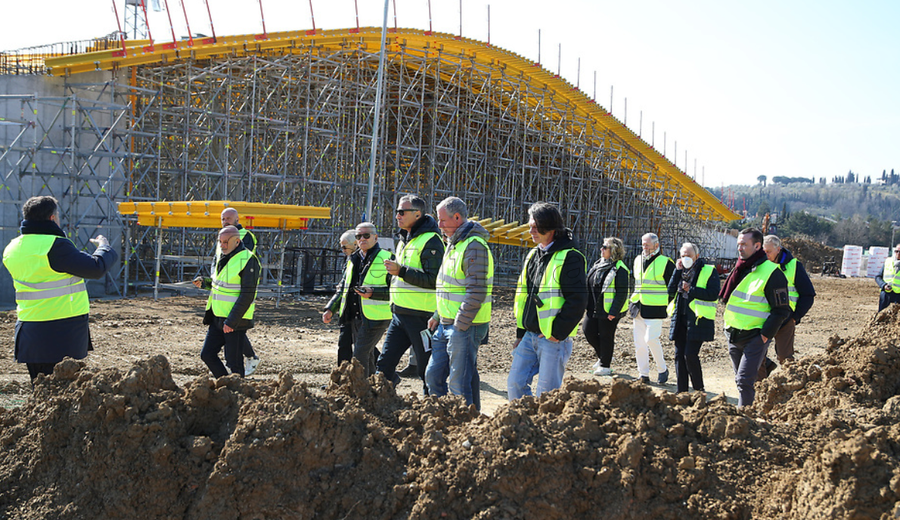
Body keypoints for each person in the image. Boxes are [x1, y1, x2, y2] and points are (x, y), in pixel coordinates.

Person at [2, 196, 118, 383]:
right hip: (60, 334)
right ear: (52, 218)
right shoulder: (55, 246)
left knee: (41, 397)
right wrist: (104, 247)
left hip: (29, 331)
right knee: (62, 397)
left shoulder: (12, 248)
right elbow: (95, 268)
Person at [507, 202, 587, 400]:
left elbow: (578, 300)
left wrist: (557, 333)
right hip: (529, 335)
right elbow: (525, 295)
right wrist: (520, 332)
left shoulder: (571, 257)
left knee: (547, 395)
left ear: (551, 227)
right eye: (530, 226)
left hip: (552, 339)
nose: (530, 230)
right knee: (515, 384)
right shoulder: (534, 254)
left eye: (535, 226)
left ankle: (541, 429)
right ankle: (522, 425)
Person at [425, 197, 493, 410]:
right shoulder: (454, 243)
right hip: (446, 324)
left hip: (464, 326)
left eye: (443, 220)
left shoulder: (473, 247)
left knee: (459, 385)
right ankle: (445, 419)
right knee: (433, 376)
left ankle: (466, 429)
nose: (439, 225)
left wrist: (459, 325)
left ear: (457, 217)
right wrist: (438, 315)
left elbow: (476, 292)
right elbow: (450, 286)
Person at [377, 195, 445, 390]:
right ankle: (378, 407)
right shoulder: (404, 239)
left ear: (417, 214)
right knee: (384, 366)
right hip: (400, 314)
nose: (397, 215)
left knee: (426, 370)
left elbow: (434, 281)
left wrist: (401, 271)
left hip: (421, 318)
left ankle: (433, 409)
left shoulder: (432, 241)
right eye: (397, 211)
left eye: (401, 212)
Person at [719, 228, 790, 407]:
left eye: (744, 244)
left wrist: (765, 336)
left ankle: (744, 420)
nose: (740, 248)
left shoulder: (772, 273)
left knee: (744, 381)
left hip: (755, 336)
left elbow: (781, 310)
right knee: (741, 380)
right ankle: (754, 408)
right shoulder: (740, 268)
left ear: (757, 246)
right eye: (738, 244)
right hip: (733, 334)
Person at [195, 226, 260, 378]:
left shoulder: (248, 260)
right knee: (207, 354)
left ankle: (236, 394)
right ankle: (225, 385)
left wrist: (232, 321)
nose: (222, 245)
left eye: (225, 242)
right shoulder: (222, 256)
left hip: (235, 321)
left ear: (237, 241)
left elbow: (247, 294)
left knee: (234, 363)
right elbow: (221, 284)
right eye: (220, 242)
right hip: (218, 316)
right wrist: (205, 283)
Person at [758, 234, 816, 378]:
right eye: (763, 252)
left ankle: (791, 385)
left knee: (786, 357)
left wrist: (795, 317)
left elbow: (808, 294)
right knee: (757, 355)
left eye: (768, 252)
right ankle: (758, 390)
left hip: (785, 319)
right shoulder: (759, 265)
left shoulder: (794, 266)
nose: (765, 255)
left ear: (778, 249)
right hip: (762, 318)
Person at [667, 242, 719, 393]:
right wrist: (677, 272)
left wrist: (691, 290)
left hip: (698, 319)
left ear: (696, 256)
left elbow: (713, 294)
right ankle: (681, 390)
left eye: (688, 256)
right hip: (680, 318)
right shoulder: (680, 271)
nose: (685, 258)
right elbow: (670, 291)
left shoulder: (709, 270)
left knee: (690, 354)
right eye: (682, 256)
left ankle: (698, 390)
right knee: (678, 356)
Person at [629, 232, 675, 384]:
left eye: (647, 244)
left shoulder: (666, 262)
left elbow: (673, 286)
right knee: (639, 343)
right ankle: (643, 375)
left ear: (656, 245)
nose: (645, 247)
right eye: (643, 244)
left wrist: (666, 303)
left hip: (656, 308)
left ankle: (662, 369)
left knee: (651, 339)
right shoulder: (637, 260)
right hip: (638, 306)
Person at [219, 207, 260, 375]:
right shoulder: (223, 236)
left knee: (234, 328)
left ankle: (248, 358)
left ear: (237, 220)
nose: (225, 221)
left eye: (228, 218)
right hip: (225, 292)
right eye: (223, 219)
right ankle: (235, 363)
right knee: (229, 329)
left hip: (238, 289)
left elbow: (241, 258)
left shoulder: (246, 236)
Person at [349, 222, 393, 376]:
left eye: (366, 235)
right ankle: (380, 385)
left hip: (377, 315)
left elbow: (395, 290)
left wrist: (372, 292)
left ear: (375, 237)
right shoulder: (353, 258)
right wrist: (331, 308)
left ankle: (362, 391)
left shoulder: (387, 258)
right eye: (358, 236)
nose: (362, 239)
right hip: (356, 314)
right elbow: (344, 286)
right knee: (366, 353)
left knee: (359, 355)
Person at [582, 237, 630, 377]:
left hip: (608, 310)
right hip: (593, 307)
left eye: (605, 247)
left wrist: (613, 311)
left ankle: (605, 365)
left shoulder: (620, 268)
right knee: (588, 331)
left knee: (606, 336)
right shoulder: (599, 264)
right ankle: (604, 356)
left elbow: (622, 293)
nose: (601, 249)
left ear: (614, 250)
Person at [322, 230, 359, 365]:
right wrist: (330, 309)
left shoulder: (363, 262)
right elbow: (342, 288)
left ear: (355, 245)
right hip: (348, 312)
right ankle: (341, 379)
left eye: (344, 247)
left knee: (365, 348)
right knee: (344, 345)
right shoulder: (349, 262)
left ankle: (384, 375)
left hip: (360, 314)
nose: (342, 250)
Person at [876, 244, 900, 312]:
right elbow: (878, 277)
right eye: (896, 251)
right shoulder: (888, 262)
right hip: (886, 295)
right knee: (881, 318)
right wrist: (884, 285)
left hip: (898, 296)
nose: (898, 253)